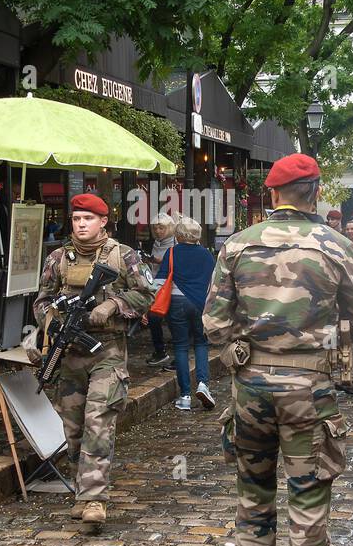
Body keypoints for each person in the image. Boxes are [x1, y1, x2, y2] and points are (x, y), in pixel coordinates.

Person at [203, 153, 353, 546]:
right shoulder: (337, 246)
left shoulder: (238, 244)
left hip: (250, 389)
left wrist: (247, 343)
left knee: (252, 500)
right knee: (308, 508)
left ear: (272, 195)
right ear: (316, 193)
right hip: (310, 390)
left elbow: (213, 323)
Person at [33, 192, 155, 526]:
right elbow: (41, 300)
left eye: (88, 218)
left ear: (103, 221)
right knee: (72, 428)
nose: (81, 224)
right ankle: (81, 489)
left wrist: (113, 305)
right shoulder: (58, 258)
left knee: (98, 422)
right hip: (69, 352)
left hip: (107, 351)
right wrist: (52, 319)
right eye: (76, 219)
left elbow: (147, 294)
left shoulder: (124, 256)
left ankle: (93, 500)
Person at [159, 215, 217, 411]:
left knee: (181, 347)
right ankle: (203, 384)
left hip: (176, 303)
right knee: (201, 343)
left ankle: (184, 396)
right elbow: (214, 282)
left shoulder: (172, 253)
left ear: (178, 234)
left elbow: (160, 281)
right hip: (200, 304)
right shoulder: (207, 255)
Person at [143, 215, 176, 369]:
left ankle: (174, 354)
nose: (158, 231)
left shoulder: (175, 242)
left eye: (161, 227)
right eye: (155, 228)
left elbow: (174, 263)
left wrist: (161, 261)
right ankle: (160, 351)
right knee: (154, 318)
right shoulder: (157, 243)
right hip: (156, 285)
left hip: (171, 287)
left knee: (171, 320)